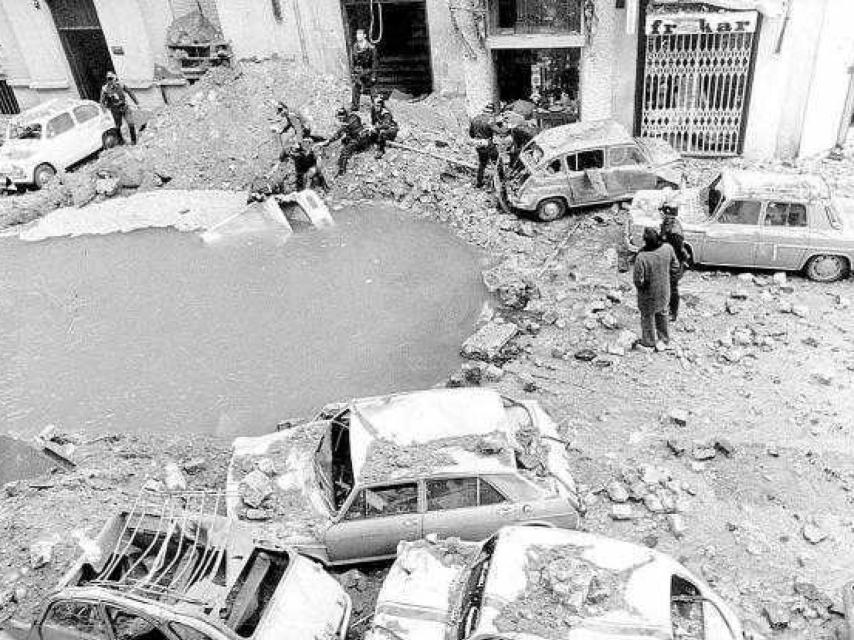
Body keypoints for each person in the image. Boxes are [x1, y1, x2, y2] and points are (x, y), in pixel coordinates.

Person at [633, 227, 680, 351]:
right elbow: (675, 266)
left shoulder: (641, 257)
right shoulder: (667, 248)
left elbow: (638, 280)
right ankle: (664, 339)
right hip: (664, 290)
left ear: (645, 241)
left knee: (647, 317)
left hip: (648, 295)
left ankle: (648, 341)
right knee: (663, 313)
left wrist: (641, 288)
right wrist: (669, 280)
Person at [659, 204, 688, 322]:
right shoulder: (668, 224)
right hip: (666, 262)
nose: (661, 215)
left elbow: (679, 252)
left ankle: (673, 312)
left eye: (664, 213)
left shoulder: (674, 233)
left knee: (672, 288)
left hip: (673, 265)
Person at [325, 107, 371, 176]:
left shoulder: (346, 124)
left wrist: (329, 141)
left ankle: (342, 170)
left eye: (340, 118)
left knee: (344, 152)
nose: (339, 120)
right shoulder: (354, 116)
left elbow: (338, 134)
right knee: (345, 140)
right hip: (365, 137)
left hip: (359, 139)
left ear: (343, 116)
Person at [100, 72, 139, 145]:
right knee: (118, 126)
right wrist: (105, 112)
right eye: (109, 79)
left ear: (115, 79)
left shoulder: (121, 84)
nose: (110, 81)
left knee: (130, 123)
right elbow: (102, 102)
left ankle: (134, 141)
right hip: (115, 110)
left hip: (124, 107)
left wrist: (137, 103)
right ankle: (121, 141)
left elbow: (130, 92)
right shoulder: (105, 89)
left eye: (112, 79)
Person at [469, 103, 500, 189]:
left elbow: (471, 134)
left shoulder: (474, 119)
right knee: (496, 162)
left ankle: (479, 183)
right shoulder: (490, 121)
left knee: (482, 164)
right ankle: (496, 184)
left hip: (478, 145)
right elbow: (500, 132)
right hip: (487, 144)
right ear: (492, 112)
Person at [350, 28, 378, 112]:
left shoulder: (371, 48)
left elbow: (374, 62)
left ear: (364, 35)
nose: (358, 36)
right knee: (356, 87)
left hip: (368, 71)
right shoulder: (355, 47)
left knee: (372, 88)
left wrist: (373, 75)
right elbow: (354, 61)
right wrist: (354, 72)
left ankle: (377, 106)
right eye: (357, 34)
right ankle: (355, 106)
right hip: (359, 71)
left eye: (360, 34)